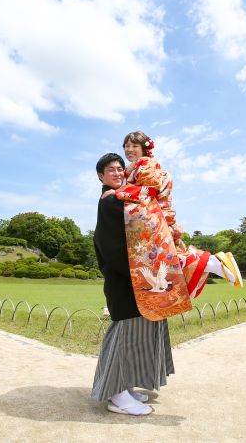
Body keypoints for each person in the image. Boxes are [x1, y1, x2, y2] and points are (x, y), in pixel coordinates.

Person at [103, 132, 242, 311]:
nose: (129, 150)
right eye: (127, 146)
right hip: (159, 216)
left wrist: (118, 193)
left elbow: (149, 189)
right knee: (166, 262)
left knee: (161, 261)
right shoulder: (146, 166)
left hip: (152, 219)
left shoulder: (144, 164)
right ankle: (214, 264)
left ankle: (212, 262)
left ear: (144, 148)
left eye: (134, 146)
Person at [91, 152, 169, 416]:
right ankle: (116, 394)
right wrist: (141, 273)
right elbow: (111, 247)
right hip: (125, 279)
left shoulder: (123, 197)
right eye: (110, 169)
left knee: (138, 334)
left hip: (138, 277)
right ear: (100, 176)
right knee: (124, 334)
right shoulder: (109, 201)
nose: (117, 172)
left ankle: (126, 385)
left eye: (120, 168)